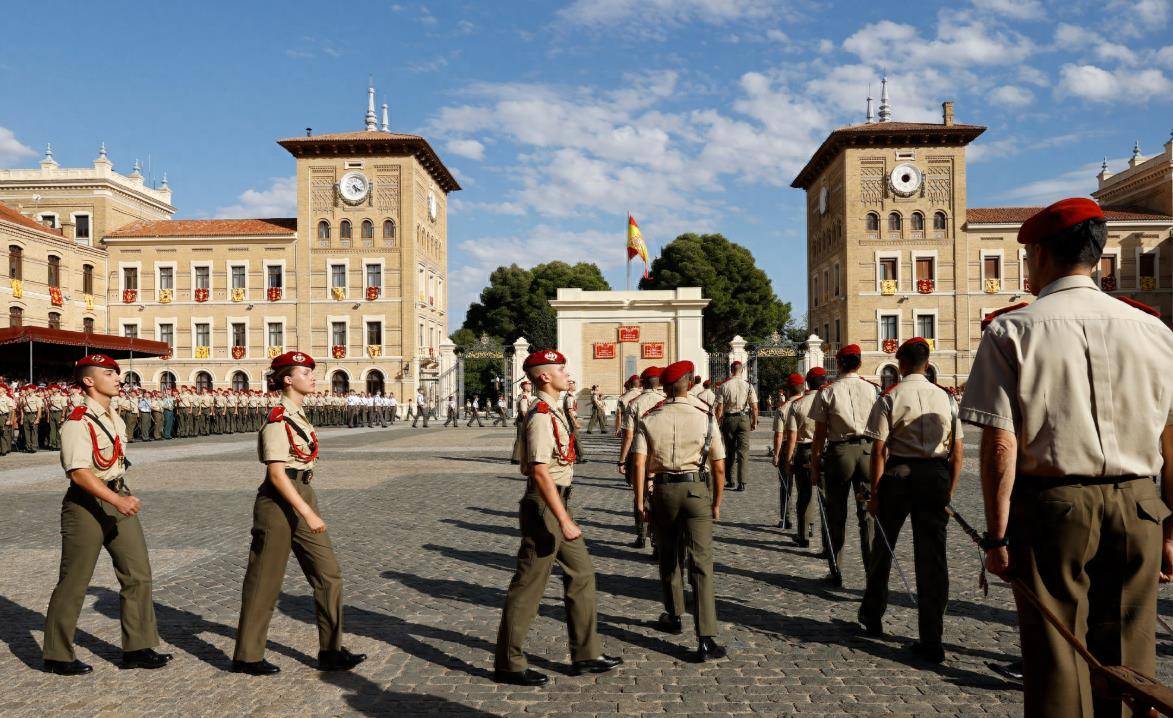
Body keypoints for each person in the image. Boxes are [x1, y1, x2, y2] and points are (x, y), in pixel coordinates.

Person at [959, 198, 1173, 717]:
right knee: (1130, 658)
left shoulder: (1013, 330)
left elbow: (1001, 443)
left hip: (1056, 506)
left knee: (1058, 658)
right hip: (1142, 504)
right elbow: (1172, 440)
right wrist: (1170, 529)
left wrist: (996, 533)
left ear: (1038, 256)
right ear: (1098, 257)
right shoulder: (1155, 331)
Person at [232, 351, 365, 675]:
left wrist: (307, 505)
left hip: (302, 491)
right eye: (305, 373)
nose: (312, 377)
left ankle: (331, 650)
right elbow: (277, 474)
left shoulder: (299, 416)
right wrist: (308, 512)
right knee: (265, 579)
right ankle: (247, 656)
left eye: (311, 372)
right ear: (287, 380)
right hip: (279, 502)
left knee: (328, 573)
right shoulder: (277, 419)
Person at [493, 349, 621, 686]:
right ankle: (509, 662)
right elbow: (537, 471)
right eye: (560, 368)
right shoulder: (540, 413)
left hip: (559, 501)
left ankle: (586, 654)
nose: (567, 373)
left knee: (582, 573)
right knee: (529, 586)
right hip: (545, 507)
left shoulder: (556, 411)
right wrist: (563, 519)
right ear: (544, 376)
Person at [42, 354, 172, 675]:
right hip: (87, 503)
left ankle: (138, 647)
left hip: (117, 494)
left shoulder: (112, 415)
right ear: (88, 380)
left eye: (117, 373)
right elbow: (78, 472)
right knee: (75, 580)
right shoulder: (78, 420)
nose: (118, 378)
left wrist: (119, 495)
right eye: (109, 373)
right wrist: (116, 498)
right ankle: (57, 654)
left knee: (137, 572)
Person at [858, 337, 964, 663]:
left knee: (883, 549)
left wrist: (875, 493)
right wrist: (949, 490)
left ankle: (873, 614)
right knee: (933, 559)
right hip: (935, 475)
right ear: (927, 363)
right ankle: (932, 637)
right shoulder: (947, 399)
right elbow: (957, 453)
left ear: (901, 364)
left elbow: (878, 450)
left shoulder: (890, 397)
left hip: (898, 476)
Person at [631, 360, 728, 662]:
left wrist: (638, 502)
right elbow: (719, 466)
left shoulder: (650, 416)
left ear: (665, 386)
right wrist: (716, 501)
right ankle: (706, 636)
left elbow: (638, 463)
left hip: (662, 490)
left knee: (669, 556)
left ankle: (673, 615)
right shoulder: (705, 415)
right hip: (695, 488)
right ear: (688, 382)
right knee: (701, 563)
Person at [810, 344, 879, 587]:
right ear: (859, 363)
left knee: (836, 513)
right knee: (868, 514)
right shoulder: (873, 390)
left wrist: (815, 464)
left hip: (840, 453)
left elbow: (819, 435)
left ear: (839, 364)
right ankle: (872, 570)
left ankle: (835, 567)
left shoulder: (828, 392)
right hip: (868, 451)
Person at [779, 367, 827, 547]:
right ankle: (827, 542)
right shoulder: (828, 399)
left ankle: (803, 535)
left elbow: (791, 436)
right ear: (824, 381)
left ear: (808, 383)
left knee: (804, 495)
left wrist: (789, 458)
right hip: (825, 450)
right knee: (826, 498)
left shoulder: (797, 404)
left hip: (805, 450)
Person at [618, 367, 665, 549]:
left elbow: (628, 436)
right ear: (659, 383)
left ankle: (641, 535)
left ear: (643, 383)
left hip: (639, 454)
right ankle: (657, 538)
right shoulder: (664, 401)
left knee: (640, 495)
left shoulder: (634, 403)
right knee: (658, 496)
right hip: (660, 455)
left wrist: (621, 460)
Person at [714, 361, 758, 491]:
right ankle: (742, 482)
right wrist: (754, 422)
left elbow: (719, 408)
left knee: (730, 450)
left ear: (731, 370)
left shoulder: (724, 386)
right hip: (744, 418)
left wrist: (717, 422)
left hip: (729, 419)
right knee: (743, 452)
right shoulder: (749, 386)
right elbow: (755, 407)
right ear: (742, 371)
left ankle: (731, 480)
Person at [771, 374, 805, 529]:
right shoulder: (808, 404)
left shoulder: (783, 408)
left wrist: (776, 454)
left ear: (788, 391)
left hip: (786, 447)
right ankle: (808, 524)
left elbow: (778, 434)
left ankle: (786, 518)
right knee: (805, 488)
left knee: (786, 485)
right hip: (805, 447)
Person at [511, 381, 532, 464]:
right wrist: (528, 421)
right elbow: (523, 411)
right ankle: (516, 458)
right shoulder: (524, 397)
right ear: (524, 387)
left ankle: (519, 457)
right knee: (521, 439)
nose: (530, 386)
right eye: (529, 385)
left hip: (521, 419)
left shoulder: (522, 396)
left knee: (522, 439)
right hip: (524, 420)